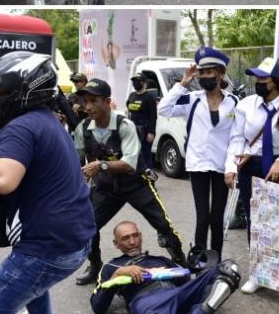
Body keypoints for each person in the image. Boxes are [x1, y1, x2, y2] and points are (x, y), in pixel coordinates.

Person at [0, 52, 95, 314]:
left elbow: (3, 181)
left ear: (23, 92)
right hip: (74, 238)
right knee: (35, 297)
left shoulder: (20, 128)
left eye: (1, 93)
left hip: (48, 247)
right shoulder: (48, 120)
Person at [73, 78, 186, 286]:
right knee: (87, 225)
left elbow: (129, 164)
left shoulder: (125, 125)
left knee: (163, 223)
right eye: (85, 101)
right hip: (106, 188)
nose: (87, 107)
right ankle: (95, 265)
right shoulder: (83, 128)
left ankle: (179, 261)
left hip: (135, 184)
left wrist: (100, 165)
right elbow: (76, 159)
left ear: (107, 102)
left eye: (93, 101)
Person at [226, 58, 279, 293]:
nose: (258, 82)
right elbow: (237, 138)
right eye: (256, 78)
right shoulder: (246, 105)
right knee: (255, 222)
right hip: (252, 167)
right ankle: (258, 273)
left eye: (263, 79)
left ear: (276, 82)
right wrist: (231, 166)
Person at [158, 47, 239, 256]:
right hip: (198, 164)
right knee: (203, 216)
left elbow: (236, 138)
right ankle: (200, 257)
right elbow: (163, 109)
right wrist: (183, 83)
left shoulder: (233, 102)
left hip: (222, 166)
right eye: (201, 73)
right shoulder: (192, 98)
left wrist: (232, 167)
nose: (203, 77)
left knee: (217, 216)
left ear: (220, 73)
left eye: (208, 72)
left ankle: (216, 257)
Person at [90, 221, 242, 314]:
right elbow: (98, 307)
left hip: (175, 292)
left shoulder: (159, 259)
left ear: (141, 236)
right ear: (116, 244)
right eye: (125, 238)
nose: (132, 242)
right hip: (147, 301)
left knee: (229, 269)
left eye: (135, 236)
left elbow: (187, 283)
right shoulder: (111, 266)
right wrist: (117, 275)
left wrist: (196, 267)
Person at [126, 71, 161, 173]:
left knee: (145, 154)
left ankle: (149, 179)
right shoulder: (132, 95)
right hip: (133, 129)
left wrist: (151, 132)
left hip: (145, 129)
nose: (135, 83)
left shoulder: (149, 97)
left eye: (138, 81)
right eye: (134, 81)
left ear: (144, 83)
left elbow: (153, 116)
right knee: (133, 153)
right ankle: (137, 177)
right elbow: (128, 109)